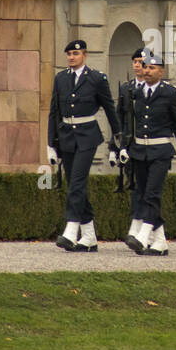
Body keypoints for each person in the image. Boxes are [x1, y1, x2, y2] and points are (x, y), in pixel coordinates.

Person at [118, 51, 176, 255]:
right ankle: (160, 241)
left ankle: (143, 236)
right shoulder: (136, 92)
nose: (147, 71)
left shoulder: (170, 93)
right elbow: (129, 123)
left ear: (161, 71)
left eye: (152, 68)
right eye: (146, 67)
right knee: (143, 194)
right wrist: (124, 146)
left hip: (160, 150)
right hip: (139, 150)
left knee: (152, 193)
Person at [47, 40, 120, 252]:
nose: (71, 57)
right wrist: (51, 143)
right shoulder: (61, 78)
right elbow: (54, 112)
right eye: (69, 53)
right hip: (67, 135)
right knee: (74, 184)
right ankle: (89, 236)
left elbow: (110, 109)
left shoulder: (97, 79)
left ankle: (71, 229)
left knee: (77, 181)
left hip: (88, 135)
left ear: (85, 55)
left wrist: (118, 141)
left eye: (75, 53)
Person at [117, 47, 149, 234]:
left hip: (149, 145)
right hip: (130, 145)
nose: (138, 66)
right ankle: (138, 224)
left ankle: (144, 227)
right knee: (134, 185)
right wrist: (116, 147)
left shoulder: (156, 89)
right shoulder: (126, 88)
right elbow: (120, 119)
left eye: (141, 62)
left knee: (148, 188)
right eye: (135, 62)